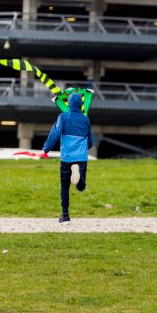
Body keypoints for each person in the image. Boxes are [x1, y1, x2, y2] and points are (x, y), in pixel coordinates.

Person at [40, 92, 94, 224]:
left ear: (69, 104)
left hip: (67, 158)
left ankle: (65, 216)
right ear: (80, 104)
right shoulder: (85, 119)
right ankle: (79, 179)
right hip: (81, 157)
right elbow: (91, 141)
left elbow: (55, 133)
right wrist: (85, 147)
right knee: (80, 187)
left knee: (65, 187)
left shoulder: (63, 117)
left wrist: (46, 149)